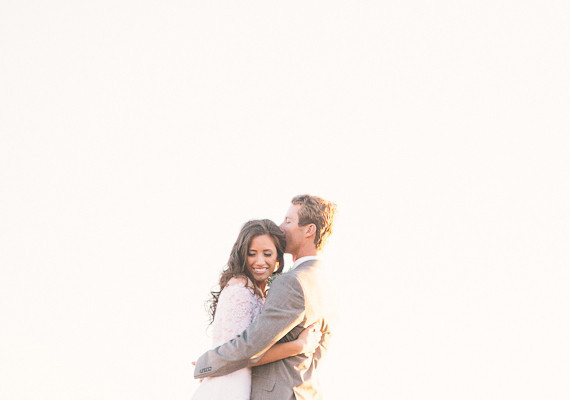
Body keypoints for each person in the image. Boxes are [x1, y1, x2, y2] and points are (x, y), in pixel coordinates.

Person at [194, 194, 338, 400]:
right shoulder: (327, 286)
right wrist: (298, 346)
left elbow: (251, 346)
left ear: (309, 230)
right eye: (252, 253)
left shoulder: (293, 282)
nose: (281, 227)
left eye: (288, 221)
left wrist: (205, 364)